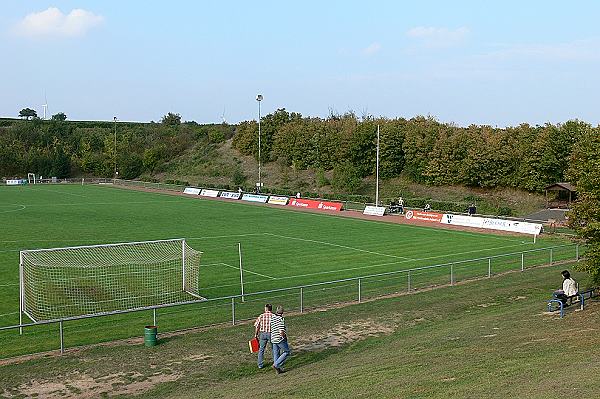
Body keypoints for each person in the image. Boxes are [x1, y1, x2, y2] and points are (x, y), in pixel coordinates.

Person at [270, 305, 291, 374]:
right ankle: (276, 365)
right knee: (287, 351)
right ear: (282, 312)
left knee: (276, 354)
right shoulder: (280, 319)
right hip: (279, 339)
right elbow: (281, 331)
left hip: (273, 338)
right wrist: (284, 337)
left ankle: (278, 369)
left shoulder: (272, 318)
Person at [253, 303, 273, 369]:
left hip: (263, 334)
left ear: (266, 308)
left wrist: (256, 334)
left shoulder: (261, 316)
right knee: (274, 348)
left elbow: (257, 326)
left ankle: (260, 365)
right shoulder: (273, 316)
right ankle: (276, 362)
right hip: (271, 333)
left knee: (261, 349)